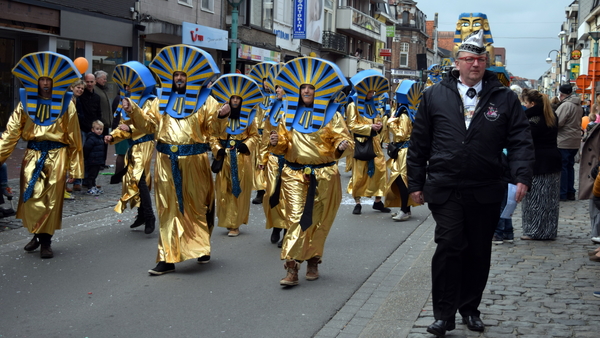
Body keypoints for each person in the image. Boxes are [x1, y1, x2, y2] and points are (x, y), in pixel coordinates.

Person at [407, 30, 534, 336]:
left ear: (485, 63)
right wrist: (414, 183)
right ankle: (443, 314)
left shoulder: (504, 98)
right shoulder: (434, 95)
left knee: (478, 250)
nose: (475, 64)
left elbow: (520, 140)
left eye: (480, 59)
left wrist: (522, 175)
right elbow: (419, 143)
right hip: (445, 185)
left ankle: (470, 308)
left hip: (485, 187)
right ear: (458, 62)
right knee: (450, 244)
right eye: (469, 59)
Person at [142, 45, 230, 275]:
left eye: (183, 75)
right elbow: (146, 125)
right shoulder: (159, 101)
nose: (179, 78)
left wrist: (222, 116)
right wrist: (131, 113)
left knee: (197, 206)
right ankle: (167, 258)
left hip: (195, 161)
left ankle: (201, 246)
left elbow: (214, 131)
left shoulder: (206, 101)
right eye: (176, 75)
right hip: (165, 161)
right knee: (167, 208)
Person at [269, 57, 353, 286]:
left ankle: (314, 259)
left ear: (318, 92)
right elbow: (283, 145)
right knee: (295, 219)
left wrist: (341, 146)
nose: (306, 91)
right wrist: (276, 142)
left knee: (318, 221)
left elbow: (345, 140)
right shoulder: (287, 114)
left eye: (310, 88)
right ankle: (291, 266)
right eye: (303, 87)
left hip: (324, 176)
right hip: (294, 175)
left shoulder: (332, 114)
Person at [0, 52, 83, 258]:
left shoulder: (67, 104)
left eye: (49, 79)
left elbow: (74, 138)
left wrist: (75, 168)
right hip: (32, 154)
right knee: (31, 197)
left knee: (51, 200)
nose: (45, 83)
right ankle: (37, 234)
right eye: (42, 79)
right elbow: (11, 132)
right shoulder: (25, 103)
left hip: (57, 155)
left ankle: (46, 241)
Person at [106, 61, 157, 235]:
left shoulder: (151, 102)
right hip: (133, 145)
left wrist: (132, 128)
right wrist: (112, 136)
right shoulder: (125, 102)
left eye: (132, 83)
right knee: (135, 179)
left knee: (140, 178)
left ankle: (149, 216)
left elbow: (150, 125)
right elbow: (122, 126)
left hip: (145, 143)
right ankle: (142, 214)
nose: (127, 87)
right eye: (126, 84)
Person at [211, 74, 262, 237]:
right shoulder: (219, 114)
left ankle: (236, 223)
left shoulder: (249, 117)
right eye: (232, 98)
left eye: (237, 99)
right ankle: (227, 220)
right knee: (223, 190)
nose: (234, 101)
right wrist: (217, 148)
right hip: (224, 157)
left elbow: (255, 136)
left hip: (241, 159)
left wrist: (245, 145)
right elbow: (211, 134)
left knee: (238, 191)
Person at [346, 70, 391, 215]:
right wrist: (369, 127)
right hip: (360, 143)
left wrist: (379, 125)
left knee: (380, 170)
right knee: (359, 174)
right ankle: (357, 202)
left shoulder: (373, 104)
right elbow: (352, 125)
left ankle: (378, 201)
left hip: (375, 143)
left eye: (373, 91)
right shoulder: (353, 105)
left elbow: (377, 118)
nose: (372, 94)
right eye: (369, 91)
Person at [519, 89, 562, 240]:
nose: (524, 106)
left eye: (525, 103)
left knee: (535, 198)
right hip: (553, 159)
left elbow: (526, 139)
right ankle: (548, 230)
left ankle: (534, 230)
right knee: (549, 199)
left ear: (532, 103)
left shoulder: (534, 119)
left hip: (538, 160)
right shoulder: (551, 115)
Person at [384, 81, 420, 221]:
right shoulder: (407, 111)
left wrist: (391, 122)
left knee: (401, 180)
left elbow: (401, 135)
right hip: (403, 151)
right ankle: (405, 209)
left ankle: (405, 210)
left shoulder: (404, 114)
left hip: (404, 152)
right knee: (401, 180)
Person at [248, 62, 278, 205]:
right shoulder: (256, 97)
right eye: (264, 80)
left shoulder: (277, 99)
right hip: (257, 134)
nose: (266, 83)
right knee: (258, 164)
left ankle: (271, 189)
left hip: (272, 135)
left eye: (269, 80)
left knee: (270, 163)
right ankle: (260, 190)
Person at [74, 73, 102, 191]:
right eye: (87, 82)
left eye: (92, 82)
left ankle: (87, 179)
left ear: (95, 82)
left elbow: (98, 112)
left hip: (92, 129)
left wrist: (99, 127)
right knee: (81, 154)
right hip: (81, 128)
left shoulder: (96, 97)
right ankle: (77, 180)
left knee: (90, 156)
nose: (89, 84)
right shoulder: (80, 97)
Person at [555, 83, 583, 201]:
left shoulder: (566, 105)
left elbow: (558, 122)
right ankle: (570, 191)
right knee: (570, 166)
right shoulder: (578, 105)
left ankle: (563, 193)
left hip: (564, 140)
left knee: (563, 167)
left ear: (561, 94)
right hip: (575, 140)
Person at [94, 70, 113, 168]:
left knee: (105, 143)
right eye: (104, 79)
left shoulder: (102, 90)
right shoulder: (95, 89)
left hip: (105, 122)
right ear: (97, 79)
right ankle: (99, 163)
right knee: (100, 144)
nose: (105, 81)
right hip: (100, 122)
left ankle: (103, 162)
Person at [83, 120, 105, 195]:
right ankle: (90, 187)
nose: (99, 131)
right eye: (97, 129)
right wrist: (86, 158)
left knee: (95, 175)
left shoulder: (99, 138)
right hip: (92, 160)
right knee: (91, 175)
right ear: (93, 129)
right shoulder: (92, 138)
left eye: (101, 129)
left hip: (97, 160)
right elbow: (86, 149)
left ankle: (93, 186)